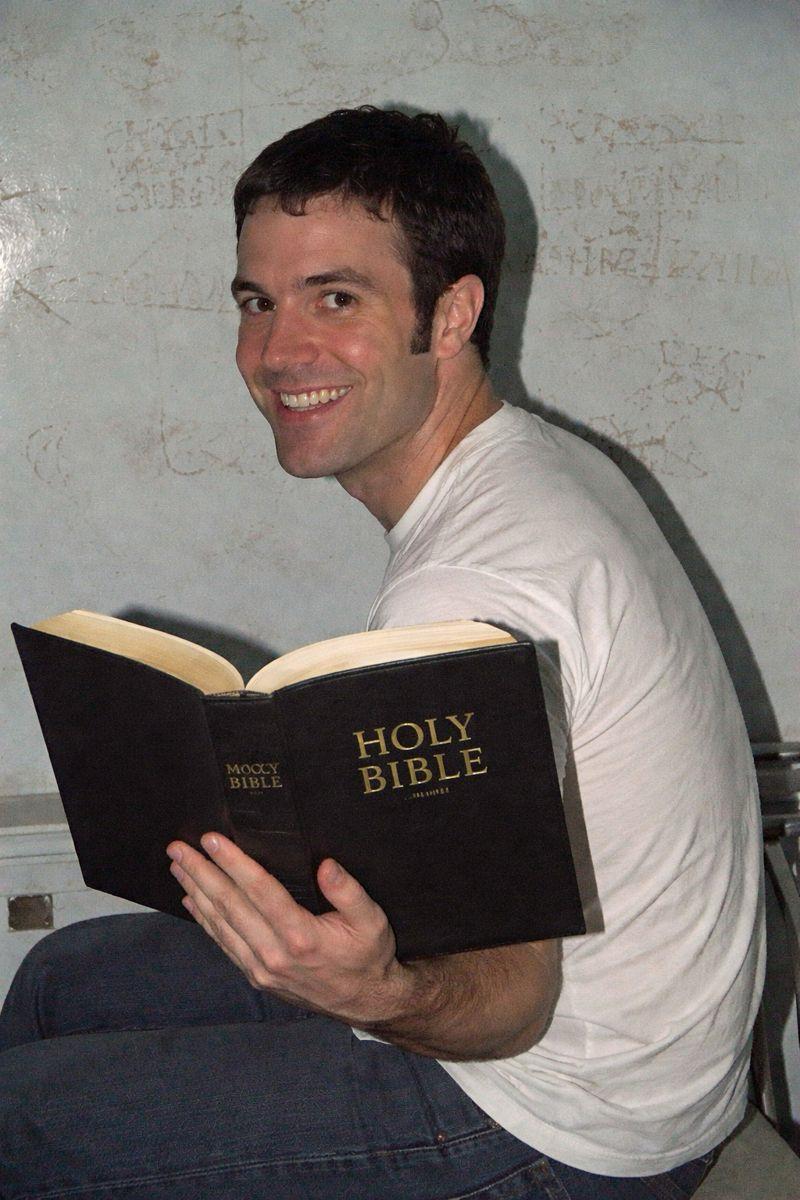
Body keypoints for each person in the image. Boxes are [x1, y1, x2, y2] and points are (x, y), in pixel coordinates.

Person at [0, 108, 764, 1200]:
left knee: (23, 1122)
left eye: (337, 298)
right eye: (258, 301)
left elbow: (506, 1008)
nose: (277, 352)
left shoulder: (478, 586)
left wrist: (371, 993)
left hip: (564, 1127)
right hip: (640, 1063)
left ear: (451, 314)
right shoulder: (532, 464)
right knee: (61, 979)